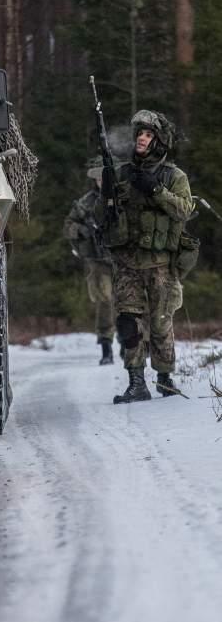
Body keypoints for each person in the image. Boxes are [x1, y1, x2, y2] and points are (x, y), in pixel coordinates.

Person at [98, 110, 194, 403]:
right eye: (139, 133)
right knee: (129, 322)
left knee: (161, 322)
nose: (142, 138)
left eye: (149, 134)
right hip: (127, 263)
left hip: (161, 264)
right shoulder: (121, 173)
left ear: (159, 141)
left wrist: (155, 189)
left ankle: (165, 379)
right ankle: (137, 383)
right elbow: (106, 216)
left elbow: (184, 210)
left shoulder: (173, 175)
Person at [64, 157, 115, 365]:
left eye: (106, 178)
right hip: (98, 260)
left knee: (132, 303)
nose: (102, 182)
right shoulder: (86, 203)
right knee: (104, 302)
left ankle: (134, 344)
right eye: (99, 178)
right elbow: (68, 226)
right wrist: (82, 230)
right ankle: (106, 347)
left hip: (124, 259)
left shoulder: (123, 198)